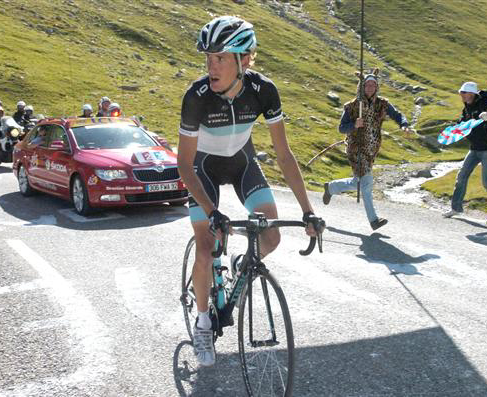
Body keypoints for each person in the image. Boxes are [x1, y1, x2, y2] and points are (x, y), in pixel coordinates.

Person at [177, 16, 321, 367]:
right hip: (202, 169)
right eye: (208, 58)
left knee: (269, 239)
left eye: (220, 58)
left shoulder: (263, 90)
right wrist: (212, 212)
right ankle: (202, 321)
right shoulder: (196, 98)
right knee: (207, 244)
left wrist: (307, 211)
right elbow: (184, 164)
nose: (211, 66)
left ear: (243, 60)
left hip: (242, 164)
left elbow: (284, 156)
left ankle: (242, 266)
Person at [322, 69, 414, 230]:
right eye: (367, 84)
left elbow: (397, 115)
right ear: (362, 86)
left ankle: (331, 187)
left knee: (358, 182)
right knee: (367, 183)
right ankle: (373, 220)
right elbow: (341, 128)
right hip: (356, 149)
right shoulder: (352, 106)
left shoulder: (383, 104)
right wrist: (354, 125)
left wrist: (404, 125)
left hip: (371, 150)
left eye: (373, 84)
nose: (370, 87)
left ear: (377, 87)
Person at [442, 82, 487, 224]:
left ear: (471, 93)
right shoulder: (467, 109)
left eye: (463, 93)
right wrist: (455, 130)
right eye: (461, 93)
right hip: (474, 148)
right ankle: (456, 208)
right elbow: (462, 123)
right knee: (462, 176)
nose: (461, 95)